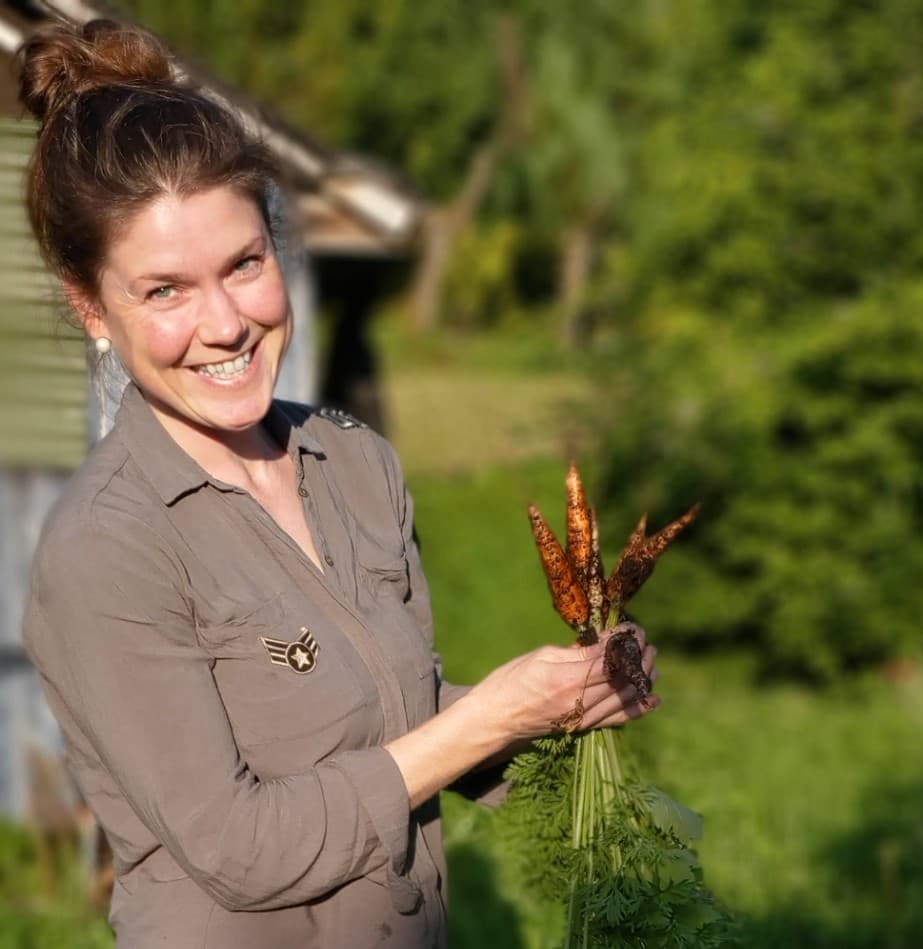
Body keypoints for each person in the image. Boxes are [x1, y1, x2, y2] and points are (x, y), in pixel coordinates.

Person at [18, 19, 659, 949]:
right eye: (165, 290)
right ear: (91, 308)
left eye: (244, 264)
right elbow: (240, 846)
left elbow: (401, 714)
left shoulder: (355, 463)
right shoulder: (107, 548)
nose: (225, 323)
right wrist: (490, 716)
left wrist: (560, 702)